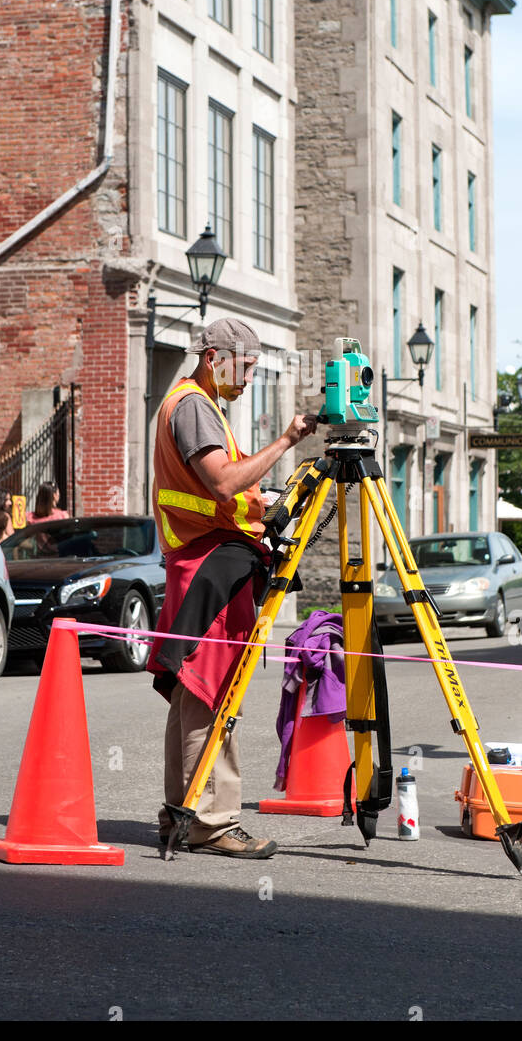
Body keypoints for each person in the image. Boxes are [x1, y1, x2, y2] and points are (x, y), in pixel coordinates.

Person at [148, 317, 318, 859]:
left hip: (201, 563)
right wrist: (289, 440)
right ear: (213, 357)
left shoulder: (196, 404)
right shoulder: (194, 405)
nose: (247, 380)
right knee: (209, 692)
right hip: (208, 567)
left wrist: (256, 501)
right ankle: (212, 821)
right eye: (243, 367)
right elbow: (222, 481)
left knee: (189, 694)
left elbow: (220, 491)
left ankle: (183, 813)